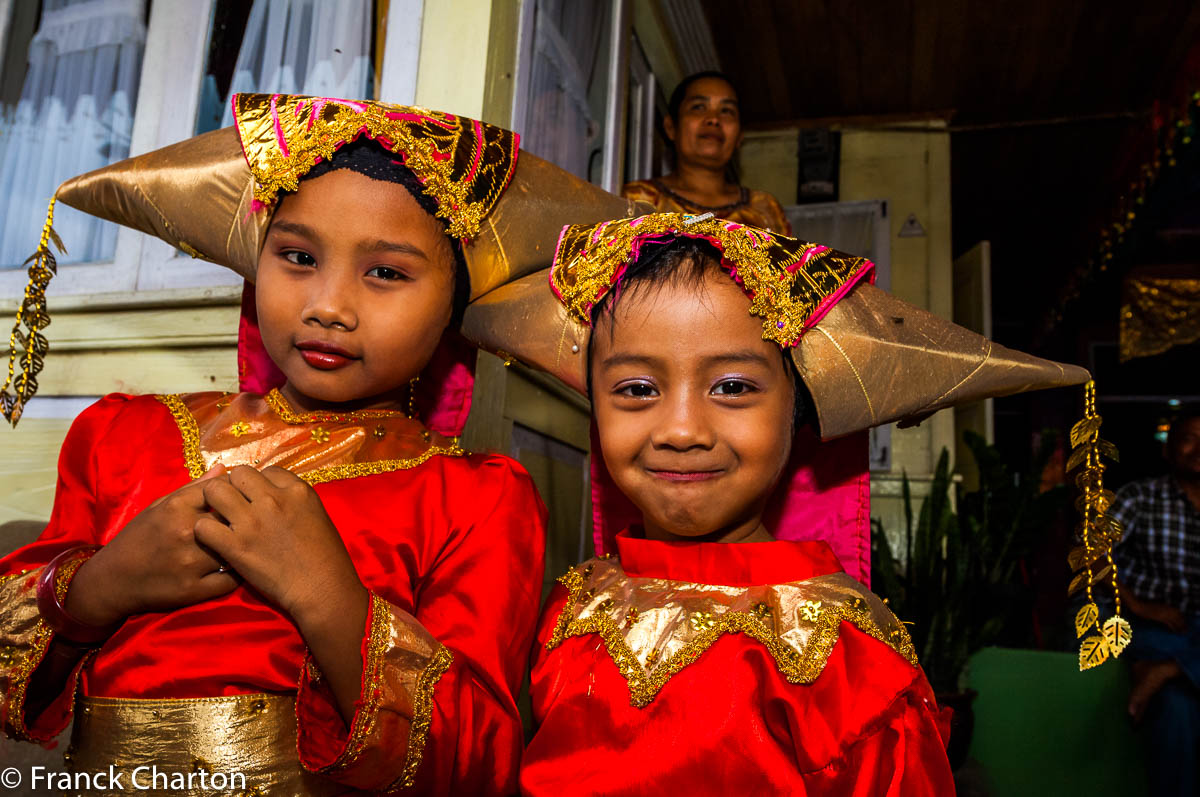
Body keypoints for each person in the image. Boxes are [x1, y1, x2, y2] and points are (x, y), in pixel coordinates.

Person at [0, 93, 634, 795]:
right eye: (298, 256)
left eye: (386, 272)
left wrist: (331, 599)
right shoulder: (125, 434)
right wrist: (98, 586)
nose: (328, 304)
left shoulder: (476, 495)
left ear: (452, 307)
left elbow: (476, 762)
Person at [490, 212, 1092, 795]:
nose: (681, 429)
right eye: (637, 389)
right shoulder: (576, 603)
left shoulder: (847, 659)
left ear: (797, 409)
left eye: (732, 387)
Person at [1112, 410, 1200, 797]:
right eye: (1190, 438)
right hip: (1161, 629)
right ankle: (1177, 667)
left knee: (1175, 703)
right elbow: (1089, 554)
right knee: (1178, 711)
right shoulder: (1140, 496)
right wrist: (1139, 605)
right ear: (1168, 450)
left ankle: (1168, 672)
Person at [621, 72, 792, 234]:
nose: (714, 119)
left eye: (726, 111)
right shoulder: (640, 199)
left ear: (740, 135)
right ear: (671, 127)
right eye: (698, 107)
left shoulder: (764, 209)